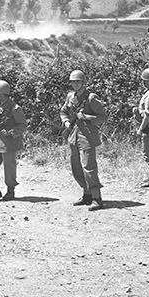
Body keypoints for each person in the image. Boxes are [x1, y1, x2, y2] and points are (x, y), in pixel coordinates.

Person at [60, 69, 108, 211]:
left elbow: (103, 117)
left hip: (87, 136)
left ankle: (96, 197)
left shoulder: (91, 98)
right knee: (76, 167)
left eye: (78, 82)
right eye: (73, 82)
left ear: (83, 82)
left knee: (89, 167)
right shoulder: (70, 96)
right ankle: (86, 193)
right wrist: (67, 122)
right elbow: (63, 112)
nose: (75, 84)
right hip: (73, 136)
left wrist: (87, 117)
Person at [0, 80, 27, 201]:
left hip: (8, 142)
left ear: (2, 93)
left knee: (9, 168)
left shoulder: (15, 108)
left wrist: (10, 133)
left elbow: (22, 126)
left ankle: (10, 191)